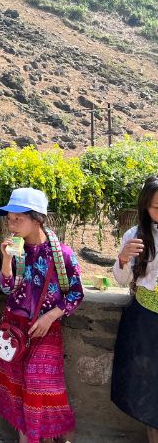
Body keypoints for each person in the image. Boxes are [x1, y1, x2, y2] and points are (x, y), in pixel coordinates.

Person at [0, 188, 84, 443]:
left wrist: (50, 317)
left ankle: (53, 436)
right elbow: (7, 288)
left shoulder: (62, 255)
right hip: (14, 330)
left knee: (39, 386)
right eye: (9, 219)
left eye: (18, 219)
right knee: (17, 386)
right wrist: (6, 260)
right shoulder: (16, 251)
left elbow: (76, 293)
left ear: (37, 220)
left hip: (46, 331)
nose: (11, 225)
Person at [111, 176, 158, 442]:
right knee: (149, 390)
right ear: (145, 206)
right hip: (145, 321)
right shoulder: (135, 235)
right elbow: (121, 280)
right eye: (156, 207)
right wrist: (123, 258)